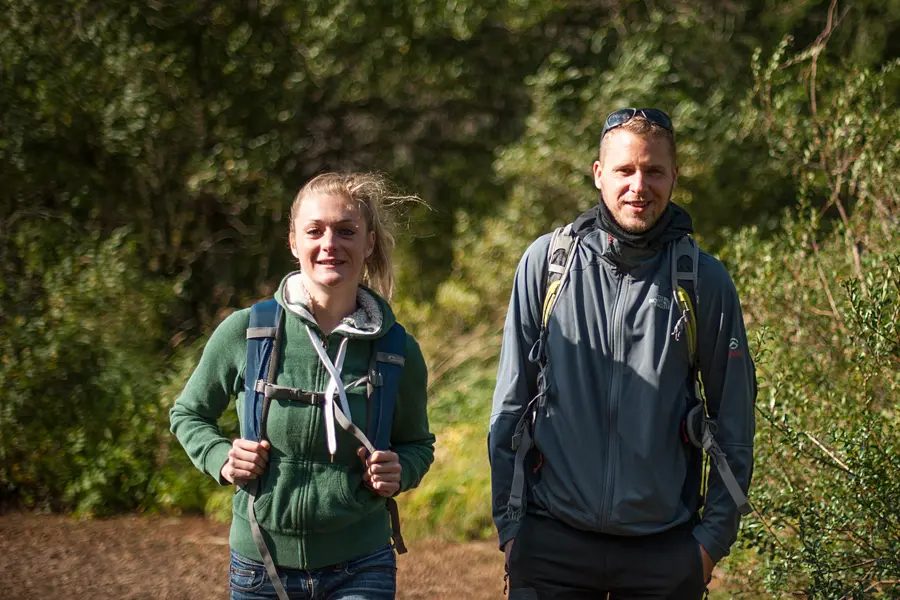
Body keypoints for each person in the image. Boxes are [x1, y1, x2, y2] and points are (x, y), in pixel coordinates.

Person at [489, 108, 757, 599]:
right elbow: (510, 406)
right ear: (598, 174)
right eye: (625, 170)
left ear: (674, 176)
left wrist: (708, 544)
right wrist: (512, 531)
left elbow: (734, 421)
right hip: (551, 543)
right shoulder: (547, 264)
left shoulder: (703, 281)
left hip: (664, 551)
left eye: (654, 171)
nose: (640, 185)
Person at [170, 172, 435, 600]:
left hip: (362, 564)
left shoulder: (398, 349)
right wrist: (220, 457)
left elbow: (418, 444)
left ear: (368, 244)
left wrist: (400, 469)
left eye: (346, 231)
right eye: (315, 231)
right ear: (294, 242)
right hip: (261, 562)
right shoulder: (247, 331)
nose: (330, 243)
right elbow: (188, 413)